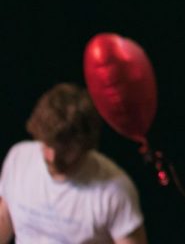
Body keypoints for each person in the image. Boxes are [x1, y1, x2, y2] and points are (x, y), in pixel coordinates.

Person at [0, 83, 148, 244]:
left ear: (84, 146)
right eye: (47, 144)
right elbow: (5, 217)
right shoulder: (19, 159)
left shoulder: (114, 190)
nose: (51, 156)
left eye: (62, 149)